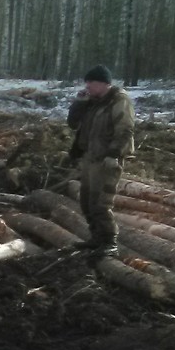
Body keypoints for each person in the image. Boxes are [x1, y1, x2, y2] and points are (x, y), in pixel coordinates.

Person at [66, 64, 135, 257]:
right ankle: (96, 237)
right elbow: (73, 124)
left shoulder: (119, 100)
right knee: (87, 201)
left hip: (106, 160)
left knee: (101, 203)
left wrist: (114, 154)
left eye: (91, 83)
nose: (87, 87)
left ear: (104, 84)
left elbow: (125, 129)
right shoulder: (93, 101)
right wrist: (79, 103)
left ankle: (109, 241)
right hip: (89, 157)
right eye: (86, 83)